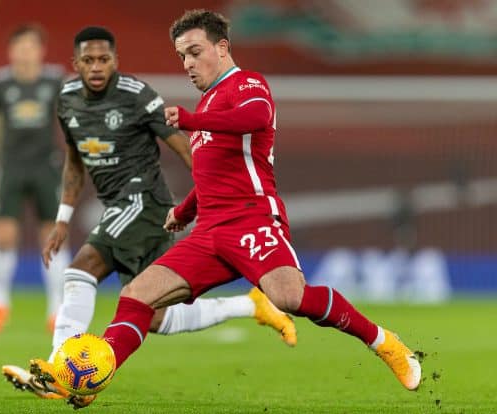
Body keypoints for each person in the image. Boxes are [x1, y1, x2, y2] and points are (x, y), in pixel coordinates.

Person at [49, 10, 422, 409]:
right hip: (209, 231)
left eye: (195, 52)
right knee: (137, 295)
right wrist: (186, 211)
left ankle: (384, 342)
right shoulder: (209, 104)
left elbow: (256, 117)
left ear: (222, 48)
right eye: (182, 57)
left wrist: (191, 120)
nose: (188, 64)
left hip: (251, 218)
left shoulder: (247, 85)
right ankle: (93, 377)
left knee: (289, 297)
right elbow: (214, 177)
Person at [1, 26, 297, 402]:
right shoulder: (67, 100)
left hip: (146, 202)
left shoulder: (138, 96)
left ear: (115, 62)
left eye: (103, 59)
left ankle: (62, 370)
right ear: (74, 64)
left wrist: (212, 199)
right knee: (154, 315)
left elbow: (191, 149)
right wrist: (62, 217)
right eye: (88, 60)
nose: (96, 67)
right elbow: (75, 162)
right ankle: (249, 304)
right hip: (119, 206)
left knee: (80, 269)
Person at [0, 25, 70, 335]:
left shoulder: (53, 80)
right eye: (19, 47)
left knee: (51, 237)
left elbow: (68, 120)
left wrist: (76, 155)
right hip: (11, 167)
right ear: (11, 51)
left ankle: (55, 309)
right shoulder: (1, 83)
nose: (25, 52)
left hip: (45, 167)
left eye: (30, 46)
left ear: (40, 50)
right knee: (3, 235)